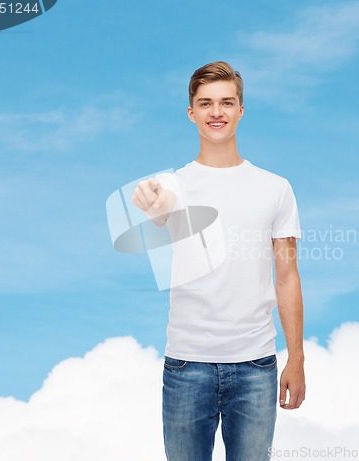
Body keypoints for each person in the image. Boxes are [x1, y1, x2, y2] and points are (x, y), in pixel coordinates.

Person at [132, 61, 305, 461]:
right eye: (205, 103)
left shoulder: (275, 189)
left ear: (241, 110)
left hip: (256, 367)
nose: (216, 112)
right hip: (186, 366)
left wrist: (296, 357)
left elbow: (287, 276)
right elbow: (159, 208)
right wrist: (151, 203)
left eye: (226, 102)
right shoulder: (173, 186)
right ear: (191, 112)